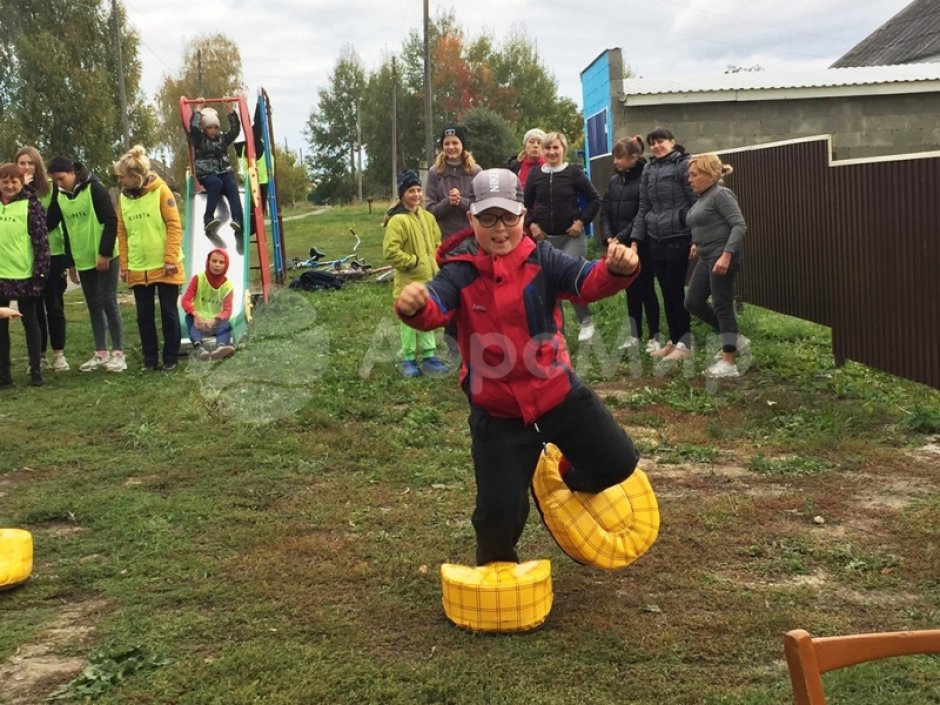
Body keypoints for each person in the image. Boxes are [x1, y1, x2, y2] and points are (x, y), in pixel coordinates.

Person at [395, 168, 642, 565]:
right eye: (488, 218)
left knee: (619, 461)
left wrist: (617, 269)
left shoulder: (543, 259)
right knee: (497, 516)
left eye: (509, 217)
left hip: (558, 395)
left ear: (523, 216)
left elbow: (586, 280)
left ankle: (559, 480)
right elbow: (436, 305)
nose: (500, 228)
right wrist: (417, 306)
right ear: (471, 218)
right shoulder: (458, 270)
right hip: (498, 413)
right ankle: (497, 571)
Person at [47, 156, 126, 373]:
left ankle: (119, 353)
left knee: (109, 301)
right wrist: (70, 263)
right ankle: (101, 352)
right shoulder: (60, 195)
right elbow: (58, 226)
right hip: (82, 259)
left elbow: (110, 221)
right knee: (93, 304)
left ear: (72, 172)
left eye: (61, 178)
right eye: (55, 180)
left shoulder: (95, 189)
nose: (59, 183)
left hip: (104, 256)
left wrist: (104, 254)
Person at [524, 131, 602, 342]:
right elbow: (524, 205)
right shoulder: (535, 175)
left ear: (563, 149)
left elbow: (595, 200)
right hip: (545, 239)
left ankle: (586, 321)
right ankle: (558, 330)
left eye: (555, 147)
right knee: (550, 285)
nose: (551, 152)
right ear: (543, 151)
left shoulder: (573, 172)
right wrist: (532, 225)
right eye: (547, 148)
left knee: (573, 278)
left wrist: (581, 222)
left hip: (571, 237)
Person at [113, 145, 186, 372]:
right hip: (138, 266)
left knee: (168, 312)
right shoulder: (123, 198)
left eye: (122, 177)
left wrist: (170, 258)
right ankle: (150, 359)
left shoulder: (161, 191)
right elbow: (122, 232)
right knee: (144, 316)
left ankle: (171, 357)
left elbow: (174, 225)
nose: (119, 181)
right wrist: (125, 264)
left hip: (165, 265)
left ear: (135, 176)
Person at [629, 127, 697, 361]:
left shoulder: (683, 164)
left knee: (676, 291)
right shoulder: (649, 168)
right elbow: (643, 206)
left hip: (678, 236)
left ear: (672, 142)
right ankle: (674, 340)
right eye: (652, 143)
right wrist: (636, 239)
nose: (656, 146)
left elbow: (695, 202)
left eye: (661, 141)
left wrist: (695, 237)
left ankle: (685, 343)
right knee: (666, 291)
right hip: (655, 238)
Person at [685, 153, 749, 378]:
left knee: (722, 305)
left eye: (694, 175)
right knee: (693, 302)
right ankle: (734, 338)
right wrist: (696, 243)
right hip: (706, 256)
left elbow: (739, 225)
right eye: (689, 175)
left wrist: (726, 255)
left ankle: (729, 362)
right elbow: (706, 223)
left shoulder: (721, 194)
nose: (690, 179)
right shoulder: (703, 197)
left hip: (721, 256)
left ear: (710, 175)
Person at [383, 170, 448, 378]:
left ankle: (430, 357)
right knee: (409, 324)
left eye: (419, 190)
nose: (416, 195)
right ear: (403, 194)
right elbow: (391, 251)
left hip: (429, 280)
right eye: (411, 191)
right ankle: (408, 358)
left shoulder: (428, 217)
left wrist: (436, 260)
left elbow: (438, 242)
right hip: (408, 282)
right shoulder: (398, 220)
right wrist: (413, 262)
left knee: (427, 319)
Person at [600, 136, 660, 352]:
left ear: (634, 157)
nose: (615, 162)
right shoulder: (615, 181)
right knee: (630, 290)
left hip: (640, 242)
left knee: (646, 289)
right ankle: (635, 335)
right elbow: (606, 210)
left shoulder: (645, 178)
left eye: (619, 157)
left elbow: (642, 213)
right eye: (615, 157)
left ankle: (655, 335)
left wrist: (623, 236)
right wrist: (609, 236)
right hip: (618, 242)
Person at [15, 146, 70, 372]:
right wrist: (23, 190)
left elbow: (53, 221)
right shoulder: (13, 192)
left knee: (54, 306)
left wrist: (69, 260)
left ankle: (59, 354)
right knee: (34, 309)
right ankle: (40, 356)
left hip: (53, 255)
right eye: (22, 163)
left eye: (31, 163)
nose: (26, 167)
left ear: (38, 165)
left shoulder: (52, 189)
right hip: (26, 258)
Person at [0, 162, 50, 387]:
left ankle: (36, 371)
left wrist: (40, 275)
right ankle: (4, 376)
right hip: (1, 275)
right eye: (5, 182)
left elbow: (41, 242)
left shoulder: (31, 205)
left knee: (30, 321)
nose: (10, 186)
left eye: (14, 182)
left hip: (25, 275)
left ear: (22, 183)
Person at [188, 99, 244, 250]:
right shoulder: (199, 140)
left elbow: (235, 130)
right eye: (209, 127)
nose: (213, 130)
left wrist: (230, 110)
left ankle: (237, 220)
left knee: (232, 186)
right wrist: (198, 110)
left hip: (224, 171)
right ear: (204, 128)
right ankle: (208, 218)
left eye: (215, 127)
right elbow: (193, 128)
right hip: (207, 173)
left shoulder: (222, 139)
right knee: (216, 184)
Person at [425, 125, 481, 238]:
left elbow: (481, 207)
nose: (451, 147)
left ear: (462, 145)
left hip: (471, 237)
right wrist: (447, 202)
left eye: (455, 143)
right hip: (442, 237)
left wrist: (461, 201)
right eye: (446, 143)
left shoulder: (476, 171)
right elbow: (429, 211)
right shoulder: (434, 172)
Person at [181, 248, 235, 361]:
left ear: (226, 265)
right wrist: (196, 315)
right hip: (199, 321)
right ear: (208, 262)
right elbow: (185, 300)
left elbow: (227, 310)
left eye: (221, 262)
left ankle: (220, 348)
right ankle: (199, 348)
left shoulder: (228, 286)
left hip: (215, 322)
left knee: (226, 324)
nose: (217, 265)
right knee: (189, 318)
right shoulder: (198, 278)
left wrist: (215, 320)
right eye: (214, 261)